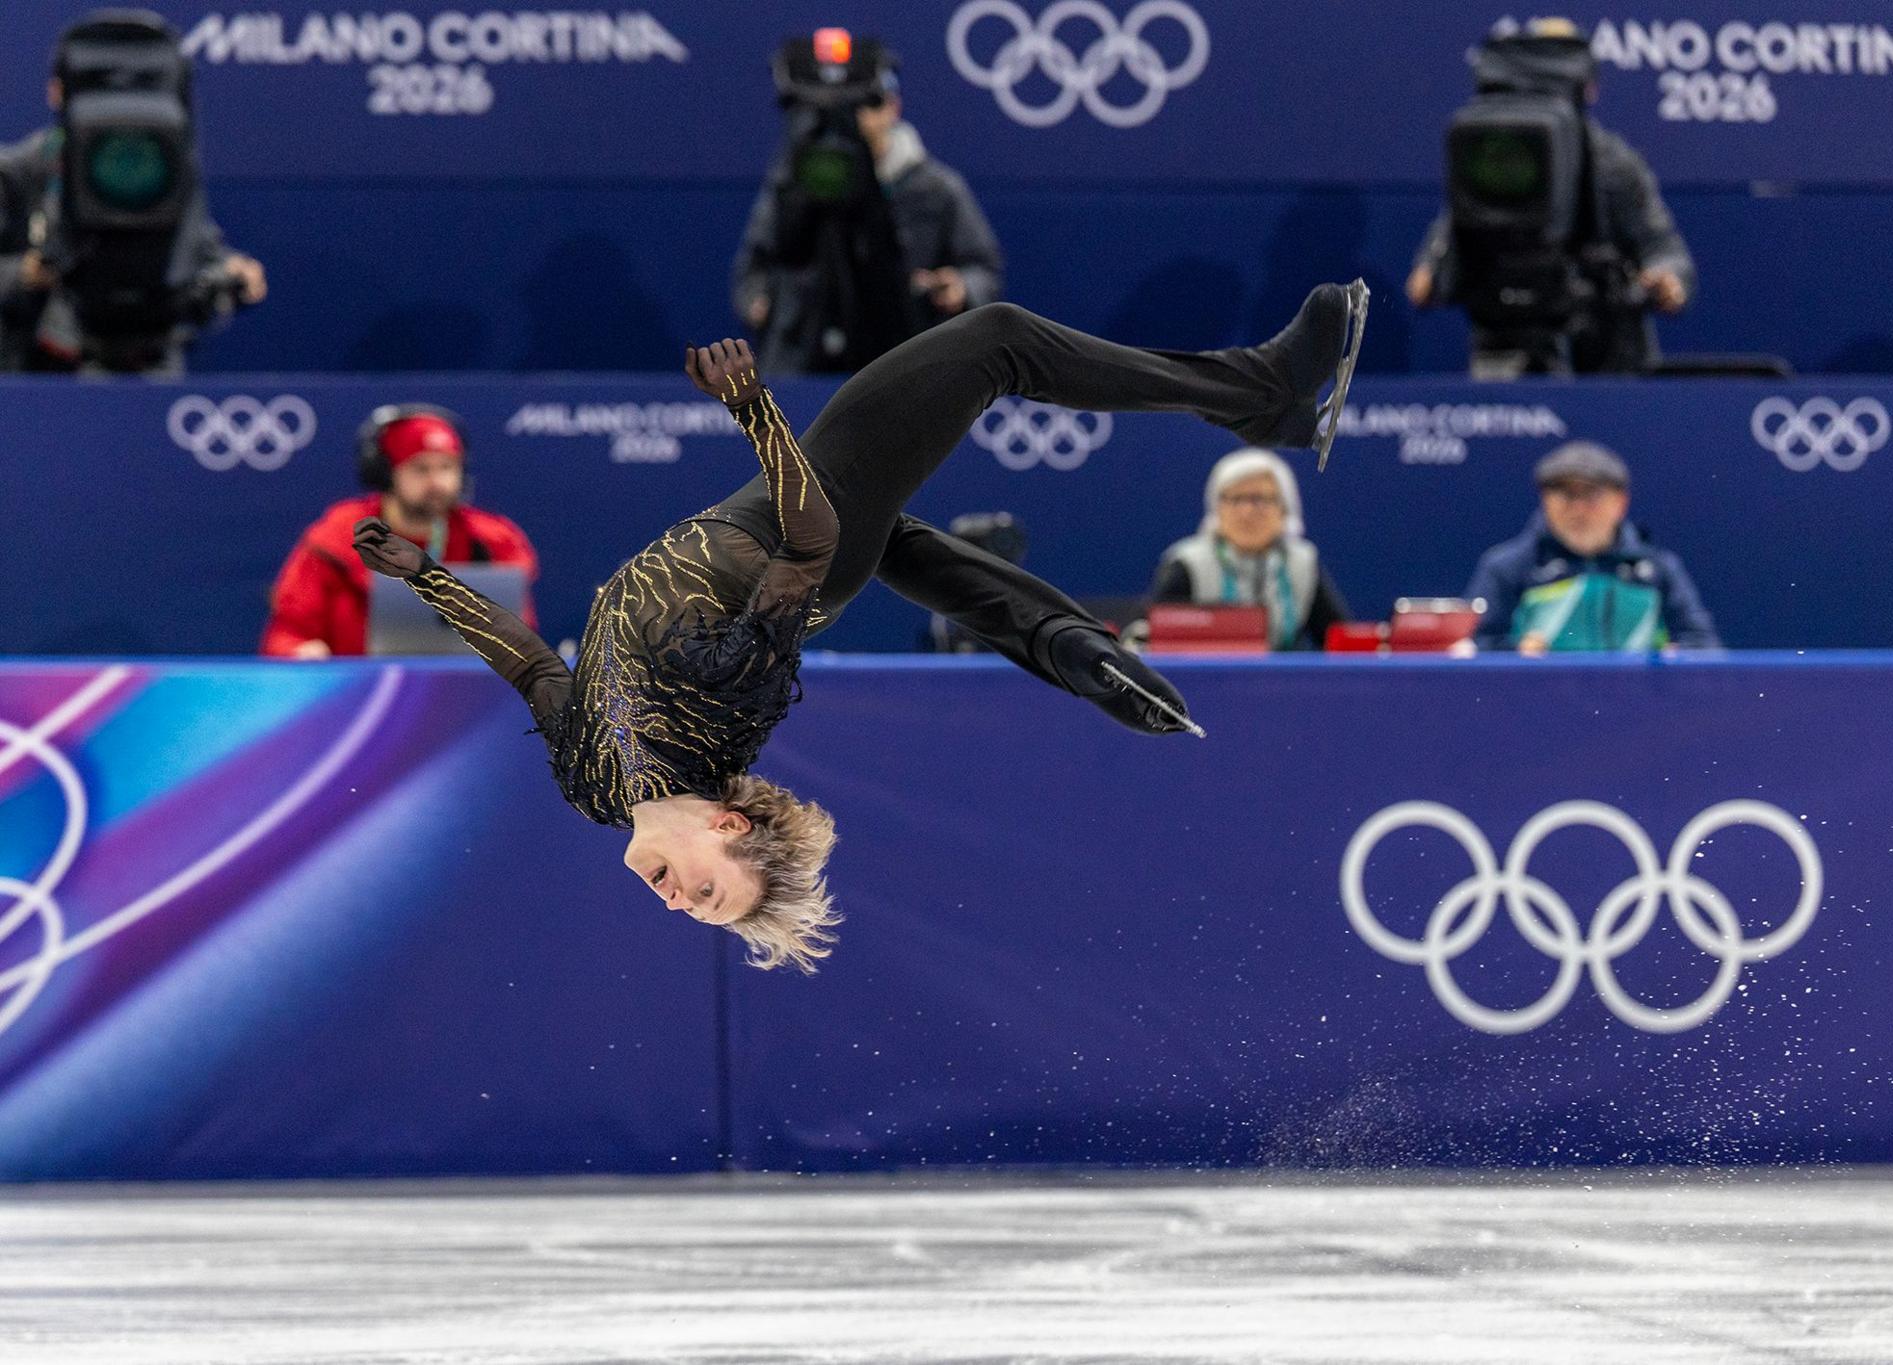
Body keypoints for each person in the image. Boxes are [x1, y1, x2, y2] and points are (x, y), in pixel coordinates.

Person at [352, 282, 1369, 974]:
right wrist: (755, 411)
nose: (677, 904)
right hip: (806, 529)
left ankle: (1067, 645)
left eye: (694, 912)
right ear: (729, 827)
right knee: (994, 341)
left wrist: (426, 579)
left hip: (810, 528)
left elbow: (529, 662)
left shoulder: (592, 788)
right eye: (709, 898)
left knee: (909, 540)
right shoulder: (718, 718)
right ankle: (1254, 395)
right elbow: (808, 544)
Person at [1406, 18, 1693, 376]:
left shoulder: (1613, 164)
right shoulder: (1492, 158)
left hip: (1603, 347)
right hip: (1507, 336)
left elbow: (1662, 247)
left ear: (1588, 89)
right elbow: (1452, 233)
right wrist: (1432, 270)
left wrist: (1666, 278)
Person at [0, 11, 265, 373]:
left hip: (151, 360)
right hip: (40, 367)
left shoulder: (163, 168)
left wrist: (229, 270)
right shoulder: (17, 171)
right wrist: (23, 274)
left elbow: (195, 247)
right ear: (56, 93)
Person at [731, 50, 1003, 374]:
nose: (860, 118)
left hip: (902, 351)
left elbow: (984, 270)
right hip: (799, 353)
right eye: (848, 108)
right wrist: (760, 301)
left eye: (870, 105)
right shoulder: (794, 181)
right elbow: (753, 265)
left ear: (893, 108)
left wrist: (960, 286)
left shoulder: (935, 187)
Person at [260, 405, 538, 659]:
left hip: (466, 699)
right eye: (420, 469)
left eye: (446, 467)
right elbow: (286, 634)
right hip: (356, 700)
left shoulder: (492, 541)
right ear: (385, 472)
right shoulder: (336, 538)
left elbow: (521, 637)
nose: (436, 482)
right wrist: (301, 653)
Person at [1464, 441, 1719, 654]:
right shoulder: (1506, 567)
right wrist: (1517, 655)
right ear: (1545, 500)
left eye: (1591, 494)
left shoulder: (1659, 568)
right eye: (1564, 495)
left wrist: (1675, 660)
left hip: (1640, 706)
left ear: (1621, 502)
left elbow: (1703, 645)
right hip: (1536, 705)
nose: (1577, 509)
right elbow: (1475, 647)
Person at [1148, 448, 1350, 651]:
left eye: (1259, 499)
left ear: (1284, 509)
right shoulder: (1188, 564)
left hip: (1281, 680)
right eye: (1236, 500)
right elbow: (1148, 640)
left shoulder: (1302, 563)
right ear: (1216, 508)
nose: (1246, 512)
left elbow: (1341, 642)